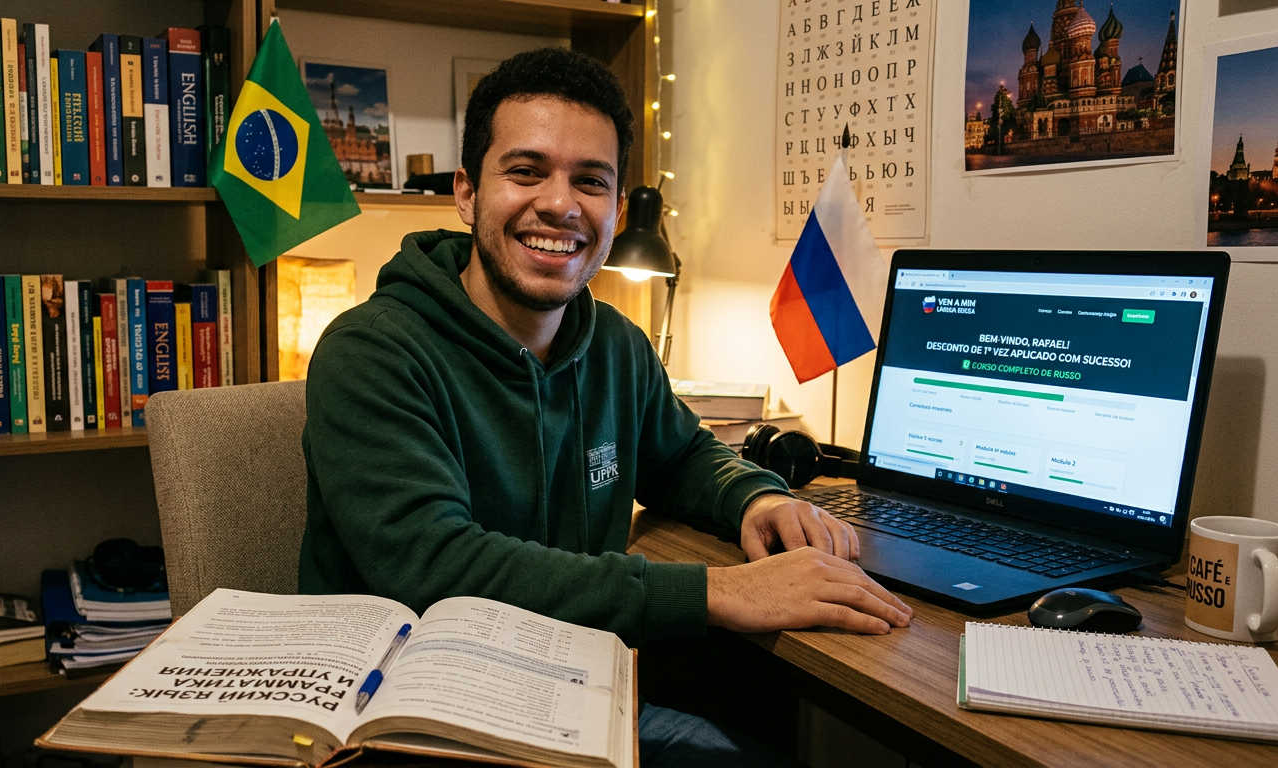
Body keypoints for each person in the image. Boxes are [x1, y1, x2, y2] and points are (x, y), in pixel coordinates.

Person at [298, 47, 911, 764]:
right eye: (525, 171)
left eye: (590, 180)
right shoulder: (372, 350)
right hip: (410, 723)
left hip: (572, 695)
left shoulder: (614, 342)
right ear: (466, 192)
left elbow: (680, 454)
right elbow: (438, 567)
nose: (560, 203)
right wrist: (714, 592)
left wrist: (755, 500)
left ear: (618, 208)